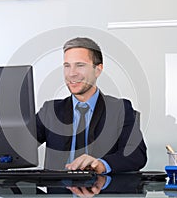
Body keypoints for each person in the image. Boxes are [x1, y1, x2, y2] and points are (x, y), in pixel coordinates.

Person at [35, 37, 147, 174]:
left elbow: (136, 155)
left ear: (98, 70)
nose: (72, 73)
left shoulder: (120, 109)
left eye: (80, 65)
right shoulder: (50, 111)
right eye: (67, 66)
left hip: (102, 192)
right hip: (60, 193)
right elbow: (18, 147)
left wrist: (102, 165)